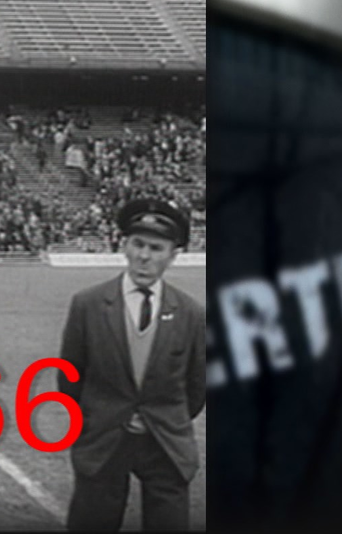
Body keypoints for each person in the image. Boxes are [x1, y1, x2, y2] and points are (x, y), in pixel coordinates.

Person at [58, 198, 206, 531]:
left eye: (156, 247)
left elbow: (196, 388)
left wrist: (162, 416)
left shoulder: (192, 313)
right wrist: (99, 415)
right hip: (104, 439)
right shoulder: (88, 304)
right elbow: (70, 377)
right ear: (123, 245)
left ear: (173, 255)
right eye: (137, 243)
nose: (144, 255)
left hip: (165, 442)